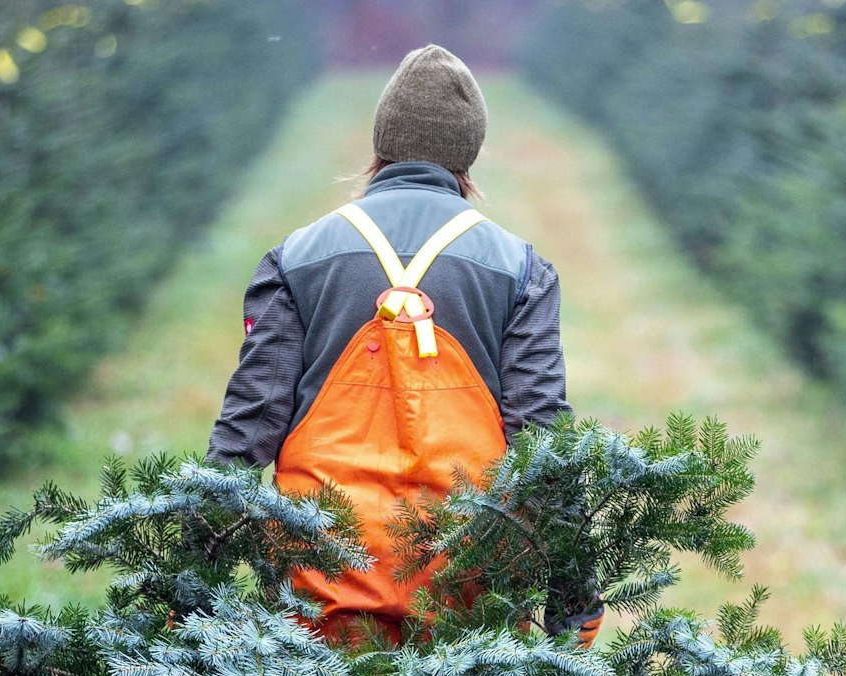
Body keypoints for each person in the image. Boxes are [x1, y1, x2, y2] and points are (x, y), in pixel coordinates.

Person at [208, 45, 581, 644]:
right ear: (469, 156)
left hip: (321, 588)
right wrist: (573, 594)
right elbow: (542, 438)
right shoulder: (521, 270)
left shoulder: (296, 257)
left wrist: (186, 576)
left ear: (380, 146)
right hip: (466, 596)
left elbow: (248, 424)